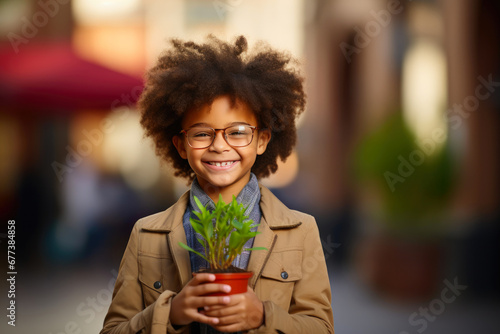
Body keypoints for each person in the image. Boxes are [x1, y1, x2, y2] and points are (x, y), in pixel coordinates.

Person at [100, 35, 334, 334]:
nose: (219, 146)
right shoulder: (146, 235)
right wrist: (170, 314)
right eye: (201, 134)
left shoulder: (301, 232)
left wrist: (263, 316)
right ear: (181, 145)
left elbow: (321, 328)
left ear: (262, 140)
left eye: (237, 132)